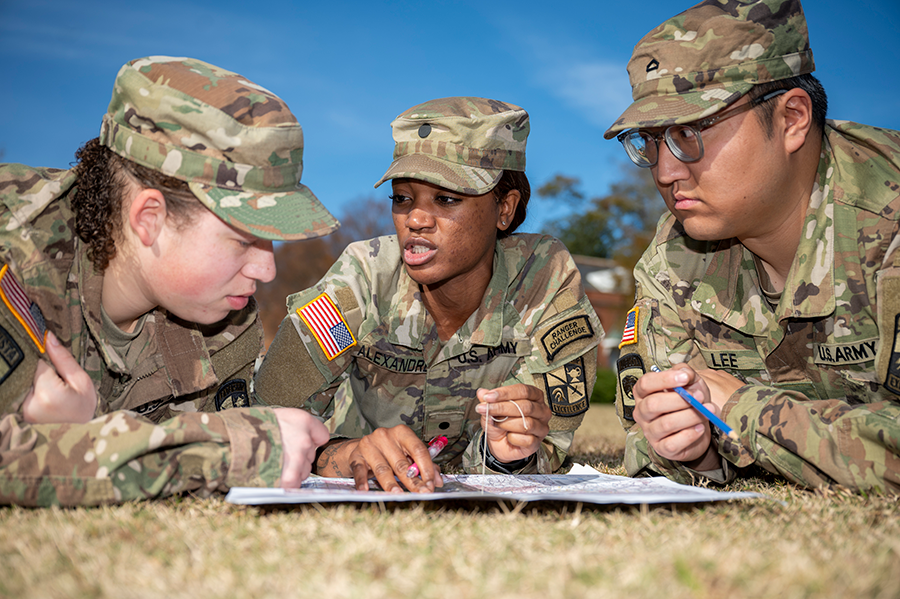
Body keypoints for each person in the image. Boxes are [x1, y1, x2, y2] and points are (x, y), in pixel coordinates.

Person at [0, 56, 336, 506]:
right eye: (243, 240)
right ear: (150, 219)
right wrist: (215, 452)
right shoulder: (15, 254)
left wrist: (86, 433)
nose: (266, 270)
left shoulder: (224, 319)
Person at [606, 0, 900, 493]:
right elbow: (646, 432)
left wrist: (747, 412)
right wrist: (692, 450)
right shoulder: (674, 259)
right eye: (651, 140)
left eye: (690, 133)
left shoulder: (887, 219)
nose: (664, 170)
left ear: (792, 119)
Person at [255, 97, 603, 493]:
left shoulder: (542, 280)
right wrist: (346, 453)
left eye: (446, 198)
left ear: (504, 209)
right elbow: (267, 422)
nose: (415, 219)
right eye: (402, 198)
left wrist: (509, 454)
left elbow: (547, 443)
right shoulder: (364, 278)